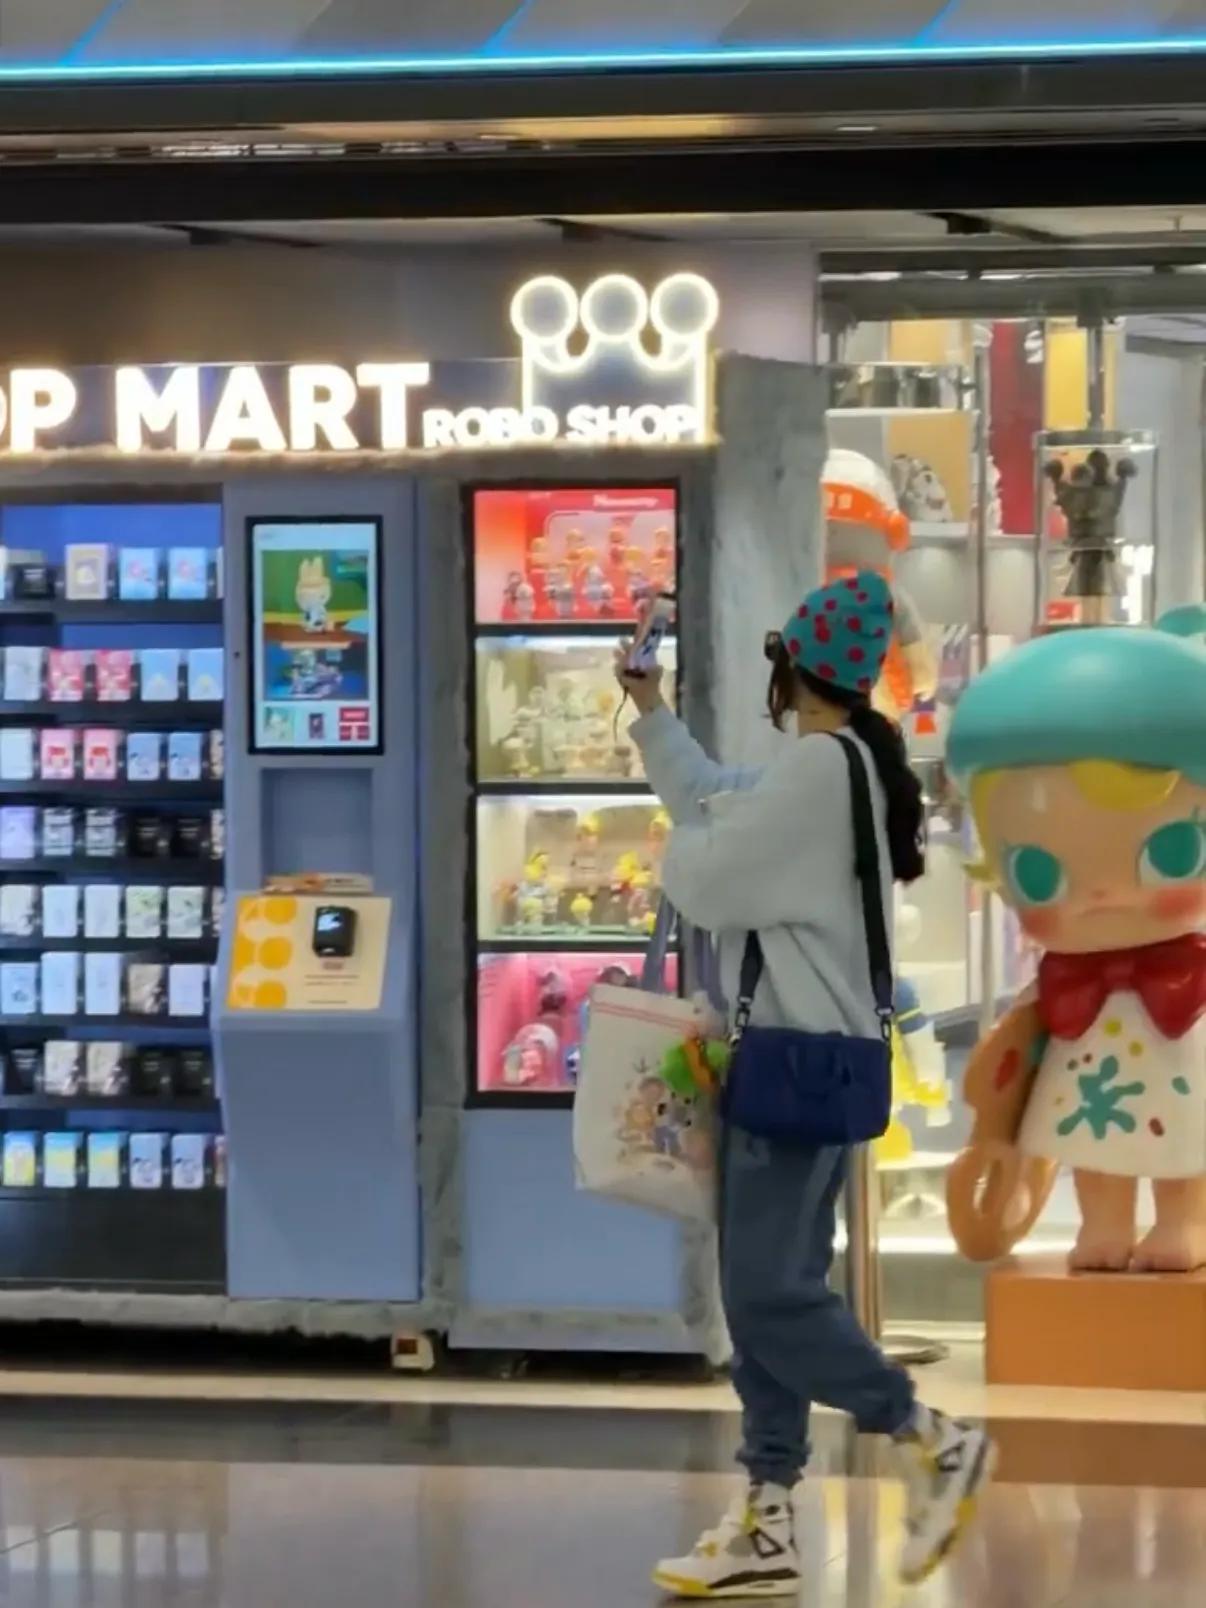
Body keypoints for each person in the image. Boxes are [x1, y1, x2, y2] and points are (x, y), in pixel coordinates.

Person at [618, 569, 993, 1599]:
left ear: (794, 668)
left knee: (766, 1294)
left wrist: (680, 849)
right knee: (772, 1291)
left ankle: (929, 1435)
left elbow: (706, 876)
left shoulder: (820, 770)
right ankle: (770, 1514)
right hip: (815, 1063)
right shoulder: (846, 764)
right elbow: (713, 798)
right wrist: (650, 711)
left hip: (788, 1062)